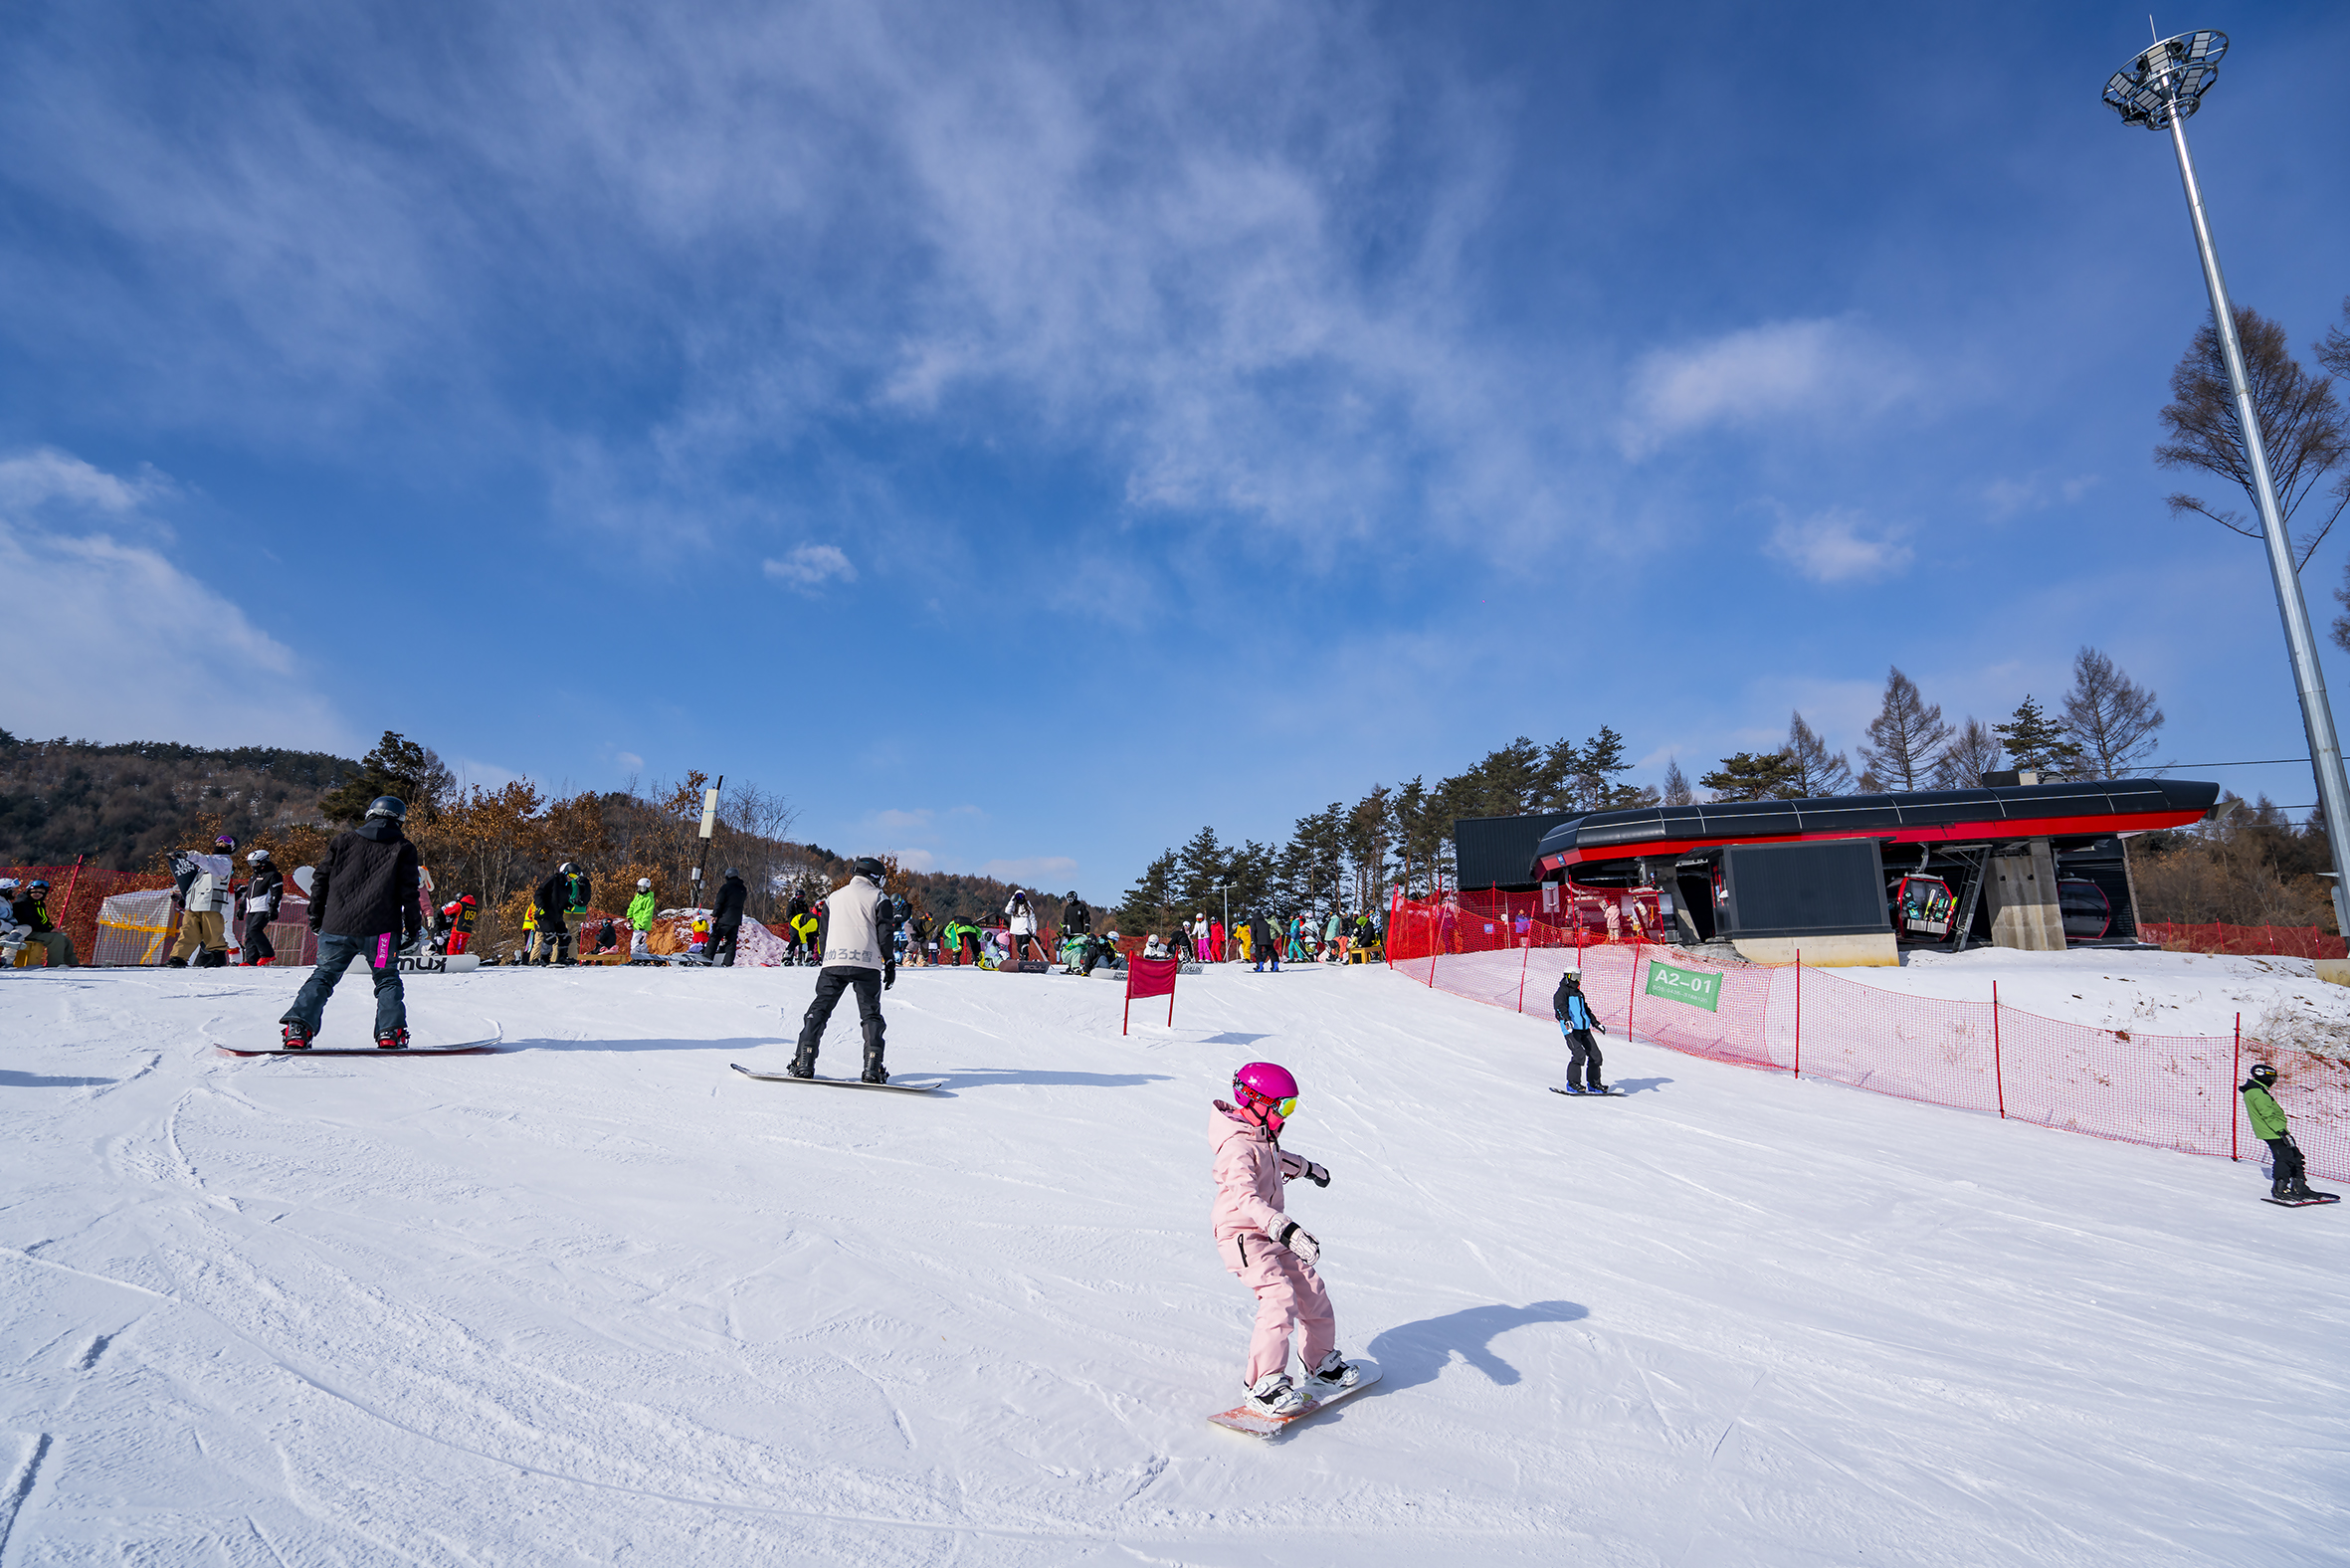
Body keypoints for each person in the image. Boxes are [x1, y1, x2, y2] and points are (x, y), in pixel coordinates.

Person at [1210, 1062, 1358, 1418]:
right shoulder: (1236, 1147)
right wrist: (1286, 1229)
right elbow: (1246, 1198)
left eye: (1290, 1106)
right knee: (1279, 1297)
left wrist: (1308, 1169)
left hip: (1271, 1230)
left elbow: (1276, 1159)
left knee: (1311, 1289)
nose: (1285, 1114)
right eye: (1283, 1106)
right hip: (1243, 1235)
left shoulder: (1260, 1132)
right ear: (1255, 1099)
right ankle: (1263, 1384)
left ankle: (1320, 1363)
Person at [278, 796, 423, 1049]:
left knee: (323, 975)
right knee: (386, 978)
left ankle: (298, 1029)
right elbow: (409, 893)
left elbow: (320, 880)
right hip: (381, 933)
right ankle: (391, 1033)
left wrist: (315, 915)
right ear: (399, 820)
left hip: (336, 929)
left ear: (370, 814)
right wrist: (412, 929)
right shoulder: (404, 847)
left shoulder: (342, 841)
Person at [788, 857, 896, 1081]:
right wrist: (889, 961)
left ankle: (804, 1061)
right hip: (867, 962)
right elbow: (885, 933)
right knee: (870, 1014)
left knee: (819, 1009)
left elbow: (823, 932)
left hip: (834, 961)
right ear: (874, 876)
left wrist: (826, 957)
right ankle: (872, 1066)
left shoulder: (832, 898)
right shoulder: (879, 897)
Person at [2243, 1062, 2329, 1202]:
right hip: (2272, 1131)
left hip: (2275, 1130)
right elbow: (2267, 1114)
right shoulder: (2257, 1093)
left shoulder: (2258, 1090)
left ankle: (2299, 1187)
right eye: (2272, 1078)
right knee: (2284, 1158)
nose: (2273, 1081)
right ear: (2265, 1076)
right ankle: (2280, 1189)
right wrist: (2281, 1131)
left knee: (2295, 1155)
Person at [166, 835, 239, 966]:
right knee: (188, 931)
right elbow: (195, 883)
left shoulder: (224, 863)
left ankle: (217, 956)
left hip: (211, 902)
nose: (220, 843)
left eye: (225, 842)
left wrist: (188, 855)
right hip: (194, 903)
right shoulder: (205, 865)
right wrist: (185, 898)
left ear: (231, 848)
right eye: (219, 840)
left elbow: (205, 860)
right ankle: (178, 957)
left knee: (212, 931)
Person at [1552, 967, 1610, 1094]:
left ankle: (1594, 1084)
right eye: (1574, 977)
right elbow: (1560, 1007)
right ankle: (1573, 1083)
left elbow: (1586, 1011)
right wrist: (1566, 1020)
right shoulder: (1562, 992)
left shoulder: (1579, 993)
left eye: (1578, 977)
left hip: (1584, 1029)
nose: (1577, 980)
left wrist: (1596, 1023)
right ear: (1567, 977)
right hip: (1571, 1030)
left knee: (1596, 1056)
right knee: (1579, 1055)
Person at [6, 878, 76, 967]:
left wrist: (52, 928)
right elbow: (29, 921)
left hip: (36, 930)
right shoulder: (22, 903)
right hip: (25, 931)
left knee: (67, 941)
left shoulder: (39, 903)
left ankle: (72, 964)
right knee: (56, 939)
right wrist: (49, 930)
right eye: (34, 891)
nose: (37, 894)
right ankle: (55, 965)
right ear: (29, 891)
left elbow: (43, 920)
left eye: (41, 892)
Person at [241, 850, 284, 965]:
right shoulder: (253, 877)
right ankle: (251, 960)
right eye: (250, 863)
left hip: (264, 907)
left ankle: (267, 954)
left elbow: (277, 893)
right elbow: (248, 893)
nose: (253, 866)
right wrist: (241, 907)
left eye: (255, 862)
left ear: (263, 861)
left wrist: (273, 908)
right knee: (249, 934)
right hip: (251, 908)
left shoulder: (273, 875)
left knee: (254, 930)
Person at [532, 863, 579, 965]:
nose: (572, 879)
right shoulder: (553, 880)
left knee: (566, 937)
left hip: (556, 916)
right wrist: (540, 906)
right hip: (545, 914)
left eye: (575, 877)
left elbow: (562, 900)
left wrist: (568, 905)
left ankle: (561, 959)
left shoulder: (568, 886)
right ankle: (544, 959)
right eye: (571, 876)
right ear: (565, 872)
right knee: (550, 937)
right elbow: (539, 893)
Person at [709, 868, 747, 967]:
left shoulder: (725, 888)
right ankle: (728, 962)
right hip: (736, 919)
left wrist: (715, 915)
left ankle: (707, 959)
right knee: (731, 941)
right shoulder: (743, 888)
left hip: (724, 918)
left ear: (728, 876)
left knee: (715, 938)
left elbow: (719, 902)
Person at [1006, 888, 1046, 963]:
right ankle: (1021, 958)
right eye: (1018, 896)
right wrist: (1012, 900)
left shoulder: (1028, 908)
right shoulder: (1014, 908)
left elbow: (1032, 919)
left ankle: (1025, 958)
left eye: (1021, 896)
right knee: (1019, 947)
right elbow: (1007, 910)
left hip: (1026, 930)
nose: (1019, 898)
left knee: (1024, 945)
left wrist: (1034, 930)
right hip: (1017, 930)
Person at [440, 891, 480, 956]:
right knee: (460, 948)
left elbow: (447, 912)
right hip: (468, 930)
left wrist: (448, 907)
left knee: (452, 947)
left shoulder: (461, 904)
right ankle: (461, 961)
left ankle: (451, 960)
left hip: (458, 929)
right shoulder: (475, 908)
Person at [626, 879, 656, 959]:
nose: (640, 890)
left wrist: (643, 925)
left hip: (642, 925)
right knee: (641, 943)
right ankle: (644, 956)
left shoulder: (649, 899)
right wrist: (629, 917)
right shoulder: (638, 896)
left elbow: (648, 913)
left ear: (646, 888)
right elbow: (632, 906)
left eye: (642, 888)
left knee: (635, 943)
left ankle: (636, 957)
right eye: (639, 888)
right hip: (636, 924)